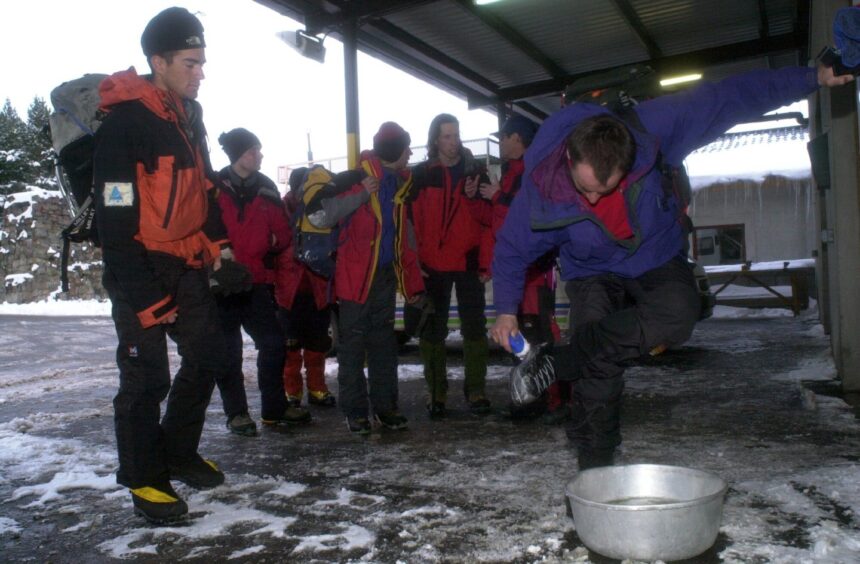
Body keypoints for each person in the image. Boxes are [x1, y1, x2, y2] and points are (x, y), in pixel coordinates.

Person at [490, 64, 853, 471]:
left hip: (654, 254)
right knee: (598, 361)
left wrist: (811, 78)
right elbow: (511, 247)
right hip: (590, 267)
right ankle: (595, 471)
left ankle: (561, 360)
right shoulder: (542, 184)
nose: (592, 201)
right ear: (570, 156)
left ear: (628, 163)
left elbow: (729, 96)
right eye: (585, 188)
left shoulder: (655, 129)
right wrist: (505, 309)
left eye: (605, 190)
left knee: (680, 312)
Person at [93, 7, 246, 523]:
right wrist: (145, 296)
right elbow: (114, 221)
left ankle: (177, 451)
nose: (200, 71)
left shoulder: (189, 118)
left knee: (209, 357)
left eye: (202, 62)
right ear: (158, 61)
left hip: (185, 262)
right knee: (146, 378)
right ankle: (145, 479)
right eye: (190, 62)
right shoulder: (124, 126)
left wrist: (221, 248)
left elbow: (204, 190)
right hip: (138, 266)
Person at [311, 122, 425, 435]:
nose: (411, 153)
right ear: (394, 151)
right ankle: (356, 411)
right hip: (355, 279)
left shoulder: (401, 185)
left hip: (384, 276)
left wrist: (413, 282)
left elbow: (404, 239)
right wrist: (362, 193)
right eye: (406, 147)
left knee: (384, 345)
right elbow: (320, 215)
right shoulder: (355, 178)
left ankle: (386, 408)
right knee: (351, 347)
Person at [214, 128, 311, 435]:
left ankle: (274, 407)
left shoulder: (267, 188)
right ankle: (237, 414)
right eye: (252, 151)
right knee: (228, 352)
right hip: (222, 283)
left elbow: (284, 234)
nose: (259, 156)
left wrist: (274, 240)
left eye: (258, 150)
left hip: (256, 281)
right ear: (236, 155)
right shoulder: (213, 187)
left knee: (273, 343)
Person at [480, 115, 569, 424]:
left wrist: (499, 197)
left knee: (540, 332)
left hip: (534, 271)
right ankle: (532, 398)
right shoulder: (513, 173)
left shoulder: (531, 171)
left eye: (503, 137)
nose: (501, 143)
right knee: (522, 335)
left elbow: (529, 216)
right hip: (521, 270)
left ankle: (554, 400)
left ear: (516, 138)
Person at [410, 113, 494, 418]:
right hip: (432, 264)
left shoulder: (476, 172)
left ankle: (476, 390)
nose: (453, 141)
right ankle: (436, 393)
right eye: (447, 136)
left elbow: (489, 220)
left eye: (456, 134)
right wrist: (413, 262)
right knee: (432, 331)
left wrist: (486, 262)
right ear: (435, 140)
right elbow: (410, 222)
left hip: (468, 260)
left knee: (475, 328)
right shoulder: (420, 175)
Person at [274, 169, 336, 409]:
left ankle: (317, 388)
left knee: (317, 344)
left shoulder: (323, 209)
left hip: (318, 290)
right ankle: (292, 392)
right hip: (288, 293)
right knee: (290, 347)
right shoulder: (281, 210)